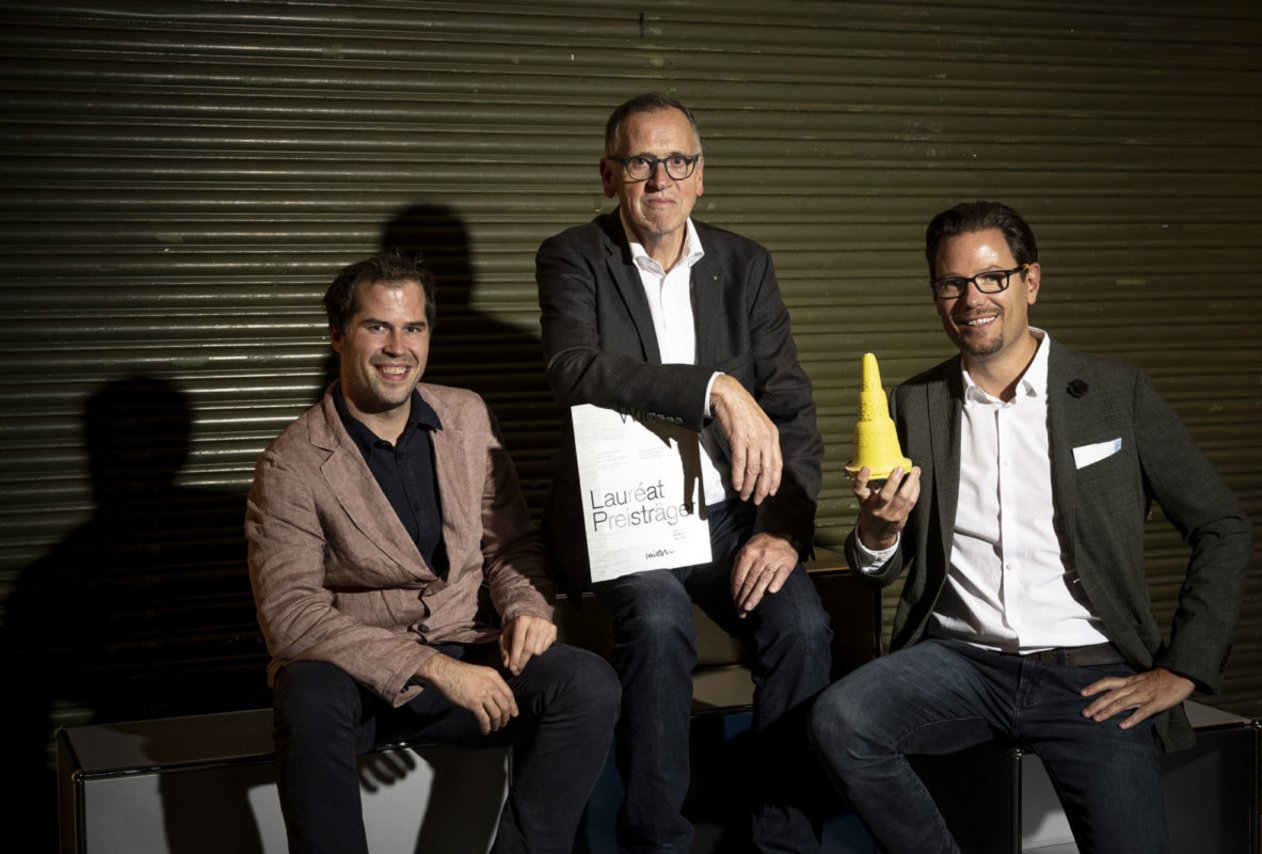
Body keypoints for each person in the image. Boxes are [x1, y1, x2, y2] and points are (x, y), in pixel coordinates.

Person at [809, 200, 1252, 853]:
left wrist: (1185, 668)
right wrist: (878, 530)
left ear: (1031, 281)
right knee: (840, 720)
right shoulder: (915, 403)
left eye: (992, 278)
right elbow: (881, 566)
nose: (972, 299)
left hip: (1088, 675)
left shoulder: (1116, 394)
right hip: (960, 661)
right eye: (952, 283)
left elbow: (1222, 526)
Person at [246, 252, 619, 854]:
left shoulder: (467, 415)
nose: (398, 348)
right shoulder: (290, 463)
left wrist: (525, 608)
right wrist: (436, 669)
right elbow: (291, 616)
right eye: (377, 327)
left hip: (469, 648)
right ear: (338, 335)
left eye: (413, 328)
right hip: (360, 683)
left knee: (588, 683)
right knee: (307, 694)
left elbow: (511, 544)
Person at [536, 92, 832, 852]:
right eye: (641, 161)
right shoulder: (572, 256)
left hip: (725, 514)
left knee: (801, 624)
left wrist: (783, 530)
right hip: (622, 512)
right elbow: (573, 368)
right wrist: (713, 388)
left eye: (677, 161)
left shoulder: (745, 265)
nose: (660, 179)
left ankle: (782, 842)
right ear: (610, 175)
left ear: (701, 175)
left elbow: (791, 410)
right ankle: (654, 841)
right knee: (660, 617)